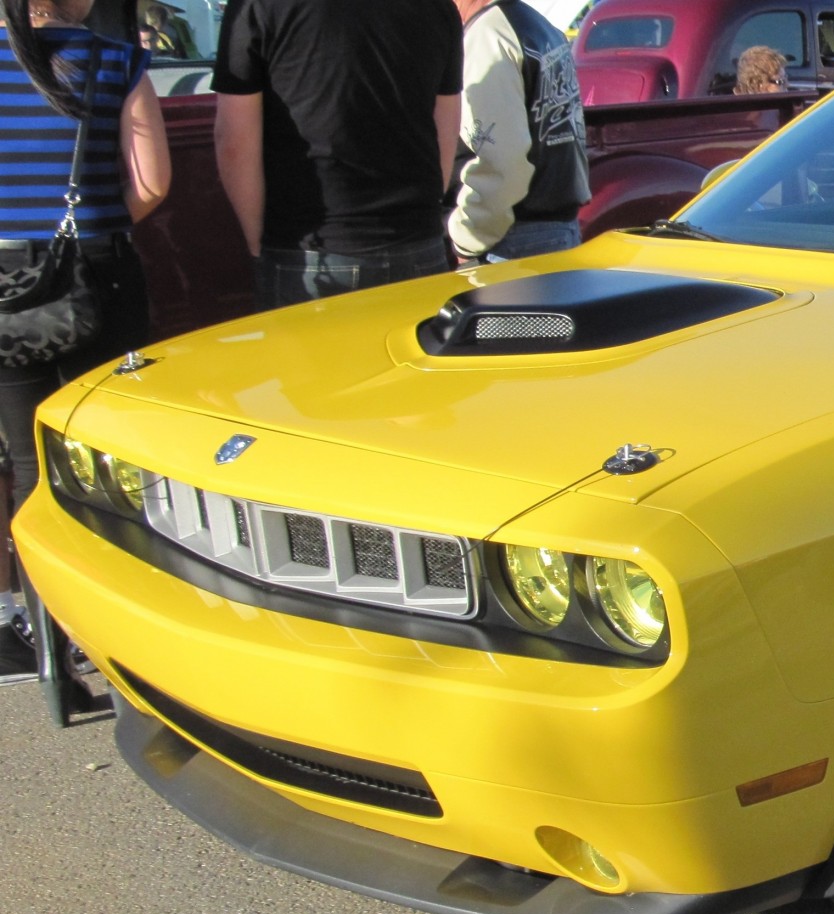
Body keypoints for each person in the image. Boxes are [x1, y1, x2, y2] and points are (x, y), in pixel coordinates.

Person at [0, 0, 168, 688]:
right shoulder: (118, 62)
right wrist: (87, 231)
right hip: (101, 277)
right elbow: (153, 183)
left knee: (27, 461)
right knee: (105, 461)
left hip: (7, 284)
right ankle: (112, 636)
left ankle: (47, 645)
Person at [212, 0, 462, 311]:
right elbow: (447, 127)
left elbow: (234, 141)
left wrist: (256, 241)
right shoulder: (439, 7)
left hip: (309, 250)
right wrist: (423, 214)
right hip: (418, 243)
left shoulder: (258, 5)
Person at [447, 0, 590, 264]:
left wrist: (467, 239)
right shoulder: (539, 26)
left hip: (510, 241)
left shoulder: (488, 35)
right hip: (556, 229)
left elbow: (501, 163)